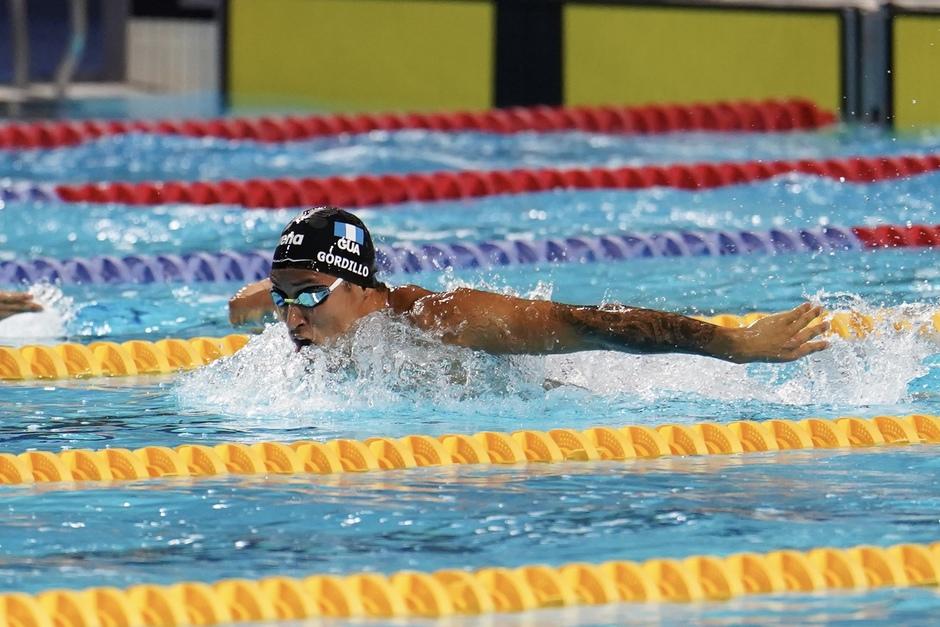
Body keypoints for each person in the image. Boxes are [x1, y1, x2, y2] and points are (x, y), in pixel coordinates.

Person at [228, 207, 829, 362]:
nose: (291, 319)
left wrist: (736, 343)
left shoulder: (444, 321)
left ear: (361, 287)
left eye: (306, 297)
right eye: (283, 299)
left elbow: (599, 324)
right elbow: (263, 298)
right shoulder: (316, 312)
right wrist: (271, 294)